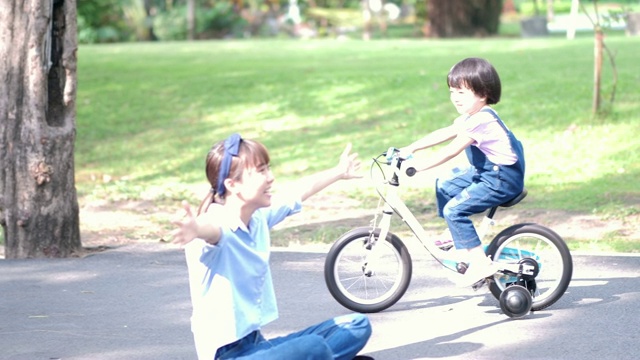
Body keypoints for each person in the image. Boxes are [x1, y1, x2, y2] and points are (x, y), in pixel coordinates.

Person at [171, 133, 373, 360]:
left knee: (356, 325)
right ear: (232, 184)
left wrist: (338, 172)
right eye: (261, 171)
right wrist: (195, 229)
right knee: (313, 347)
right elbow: (211, 230)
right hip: (226, 356)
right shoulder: (219, 223)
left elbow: (298, 192)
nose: (271, 177)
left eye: (268, 168)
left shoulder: (258, 218)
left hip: (257, 346)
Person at [399, 57, 525, 288]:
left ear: (483, 93)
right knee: (445, 184)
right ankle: (455, 234)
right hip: (487, 171)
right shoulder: (471, 116)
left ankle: (480, 264)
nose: (454, 97)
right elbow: (445, 133)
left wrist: (418, 167)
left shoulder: (482, 120)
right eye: (452, 91)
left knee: (454, 210)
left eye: (461, 92)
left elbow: (451, 150)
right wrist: (410, 148)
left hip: (502, 179)